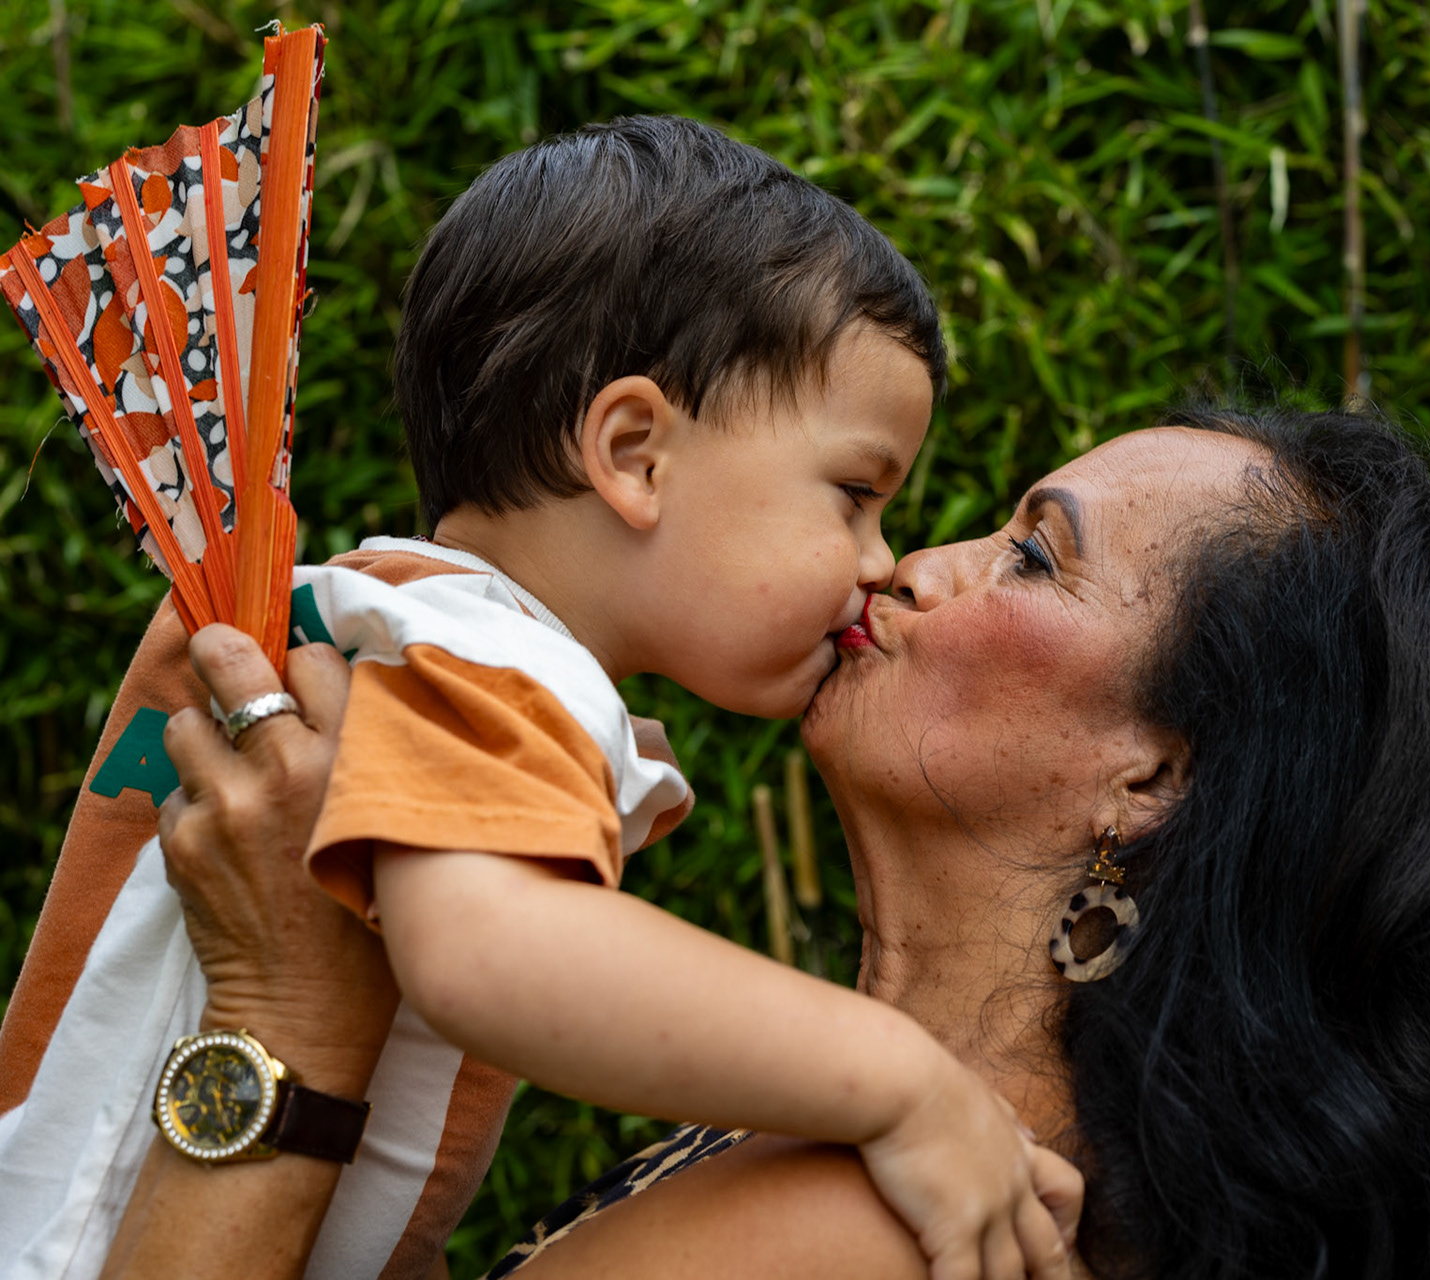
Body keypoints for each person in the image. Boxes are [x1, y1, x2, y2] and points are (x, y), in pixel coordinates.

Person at [112, 406, 1430, 1279]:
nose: (907, 568)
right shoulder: (910, 1159)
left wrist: (283, 1017)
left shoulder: (875, 1232)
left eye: (1033, 557)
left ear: (1154, 776)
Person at [0, 114, 1077, 1280]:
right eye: (855, 494)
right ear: (634, 453)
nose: (881, 560)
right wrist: (904, 1083)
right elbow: (489, 954)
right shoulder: (500, 664)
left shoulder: (386, 616)